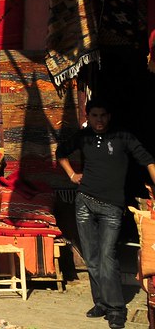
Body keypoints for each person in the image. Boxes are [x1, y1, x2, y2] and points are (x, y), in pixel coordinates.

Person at [57, 100, 155, 329]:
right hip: (85, 204)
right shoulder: (83, 137)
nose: (99, 120)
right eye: (94, 115)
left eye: (102, 115)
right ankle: (100, 302)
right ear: (88, 116)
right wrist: (72, 175)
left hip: (112, 207)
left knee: (107, 257)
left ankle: (116, 309)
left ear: (109, 116)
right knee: (91, 257)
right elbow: (61, 152)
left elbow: (148, 160)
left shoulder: (122, 137)